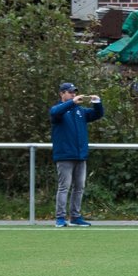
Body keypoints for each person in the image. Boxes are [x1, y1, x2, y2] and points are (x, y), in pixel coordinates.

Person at [50, 81, 104, 227]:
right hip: (65, 156)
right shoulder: (58, 110)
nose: (73, 94)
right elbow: (55, 112)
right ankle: (60, 218)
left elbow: (98, 114)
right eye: (70, 92)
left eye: (74, 92)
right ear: (62, 94)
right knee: (64, 187)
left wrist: (97, 102)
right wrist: (72, 103)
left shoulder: (80, 111)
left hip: (80, 156)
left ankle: (75, 217)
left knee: (79, 188)